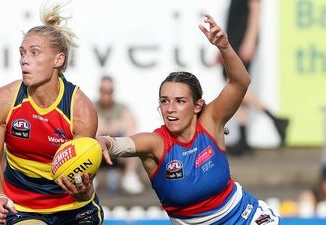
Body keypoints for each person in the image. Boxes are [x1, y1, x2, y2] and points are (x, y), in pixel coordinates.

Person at [98, 15, 280, 224]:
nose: (170, 109)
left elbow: (240, 83)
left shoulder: (211, 121)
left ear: (197, 106)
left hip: (246, 217)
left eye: (180, 101)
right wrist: (105, 142)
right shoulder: (155, 143)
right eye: (164, 101)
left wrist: (224, 47)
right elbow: (121, 144)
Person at [0, 2, 103, 225]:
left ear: (58, 59)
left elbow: (83, 180)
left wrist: (82, 191)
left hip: (73, 209)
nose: (24, 59)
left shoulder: (80, 110)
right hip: (22, 208)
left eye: (34, 53)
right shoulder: (4, 100)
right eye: (22, 53)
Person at [220, 0, 289, 154]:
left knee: (235, 84)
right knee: (235, 84)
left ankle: (275, 119)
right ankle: (244, 138)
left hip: (243, 39)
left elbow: (256, 8)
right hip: (234, 38)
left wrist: (250, 40)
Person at [94, 75, 144, 195]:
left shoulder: (122, 108)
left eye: (109, 91)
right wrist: (104, 129)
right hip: (97, 151)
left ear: (113, 91)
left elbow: (132, 125)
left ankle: (129, 175)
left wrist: (116, 126)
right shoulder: (91, 107)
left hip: (118, 150)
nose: (106, 94)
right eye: (103, 90)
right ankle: (91, 178)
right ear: (99, 90)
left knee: (132, 136)